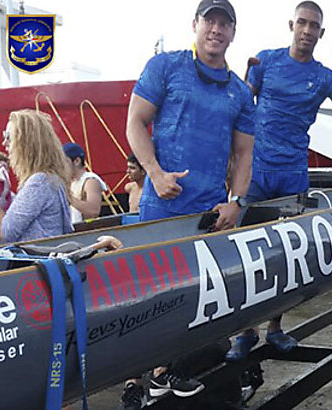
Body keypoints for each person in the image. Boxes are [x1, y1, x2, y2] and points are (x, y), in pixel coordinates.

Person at [121, 0, 255, 408]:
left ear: (233, 32)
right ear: (195, 24)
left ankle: (166, 371)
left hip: (207, 216)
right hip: (161, 209)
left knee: (189, 297)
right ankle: (132, 379)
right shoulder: (166, 67)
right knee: (146, 295)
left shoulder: (239, 91)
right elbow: (134, 123)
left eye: (224, 23)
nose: (216, 29)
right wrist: (156, 174)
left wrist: (237, 203)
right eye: (209, 20)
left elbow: (245, 155)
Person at [226, 0, 332, 359]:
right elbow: (243, 106)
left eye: (314, 26)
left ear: (321, 33)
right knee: (245, 251)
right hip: (256, 171)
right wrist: (245, 73)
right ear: (292, 25)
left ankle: (275, 327)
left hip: (292, 173)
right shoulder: (267, 60)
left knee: (286, 254)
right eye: (302, 23)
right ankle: (246, 330)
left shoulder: (322, 76)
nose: (307, 31)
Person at [0, 110, 73, 242]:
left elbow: (7, 232)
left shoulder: (39, 182)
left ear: (26, 143)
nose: (4, 143)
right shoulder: (49, 178)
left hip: (35, 259)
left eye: (8, 137)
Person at [63, 142, 109, 223]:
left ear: (77, 161)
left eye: (64, 161)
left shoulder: (90, 180)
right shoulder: (71, 182)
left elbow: (93, 211)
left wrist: (68, 197)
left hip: (87, 231)